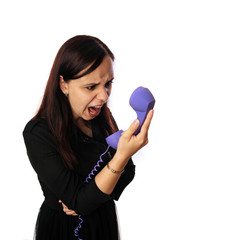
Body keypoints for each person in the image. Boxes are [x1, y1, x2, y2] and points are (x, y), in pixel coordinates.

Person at [23, 35, 154, 240]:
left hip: (102, 225)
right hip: (63, 231)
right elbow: (80, 203)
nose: (104, 96)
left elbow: (127, 172)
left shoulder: (103, 118)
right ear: (64, 85)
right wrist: (119, 159)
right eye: (91, 87)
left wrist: (89, 199)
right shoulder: (38, 133)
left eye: (108, 83)